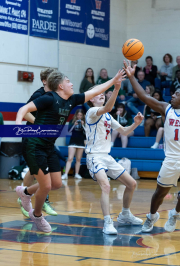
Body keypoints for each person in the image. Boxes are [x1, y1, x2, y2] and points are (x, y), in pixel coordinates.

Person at [15, 69, 125, 233]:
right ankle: (37, 216)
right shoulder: (48, 98)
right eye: (68, 81)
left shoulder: (72, 100)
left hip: (49, 146)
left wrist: (114, 80)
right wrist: (18, 127)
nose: (72, 83)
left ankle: (25, 192)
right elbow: (23, 110)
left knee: (56, 184)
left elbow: (95, 90)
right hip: (34, 145)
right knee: (45, 186)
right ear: (60, 86)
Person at [123, 59, 180, 233]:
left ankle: (175, 214)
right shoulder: (166, 108)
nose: (172, 95)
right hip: (171, 159)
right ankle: (152, 216)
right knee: (159, 194)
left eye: (176, 94)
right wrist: (132, 78)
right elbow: (144, 97)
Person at [85, 70, 144, 234]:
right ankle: (107, 222)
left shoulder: (108, 117)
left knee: (132, 184)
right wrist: (117, 88)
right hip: (94, 157)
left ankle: (125, 214)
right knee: (105, 185)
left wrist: (136, 123)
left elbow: (124, 131)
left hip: (107, 157)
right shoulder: (91, 112)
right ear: (91, 98)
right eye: (98, 93)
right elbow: (109, 107)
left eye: (103, 93)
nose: (101, 94)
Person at [18, 68, 58, 218]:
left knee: (35, 170)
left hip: (45, 138)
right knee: (39, 170)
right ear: (45, 81)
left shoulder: (54, 96)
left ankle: (23, 195)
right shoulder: (39, 94)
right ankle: (31, 197)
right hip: (33, 136)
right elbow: (25, 111)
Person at [62, 109, 86, 180]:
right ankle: (65, 174)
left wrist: (83, 125)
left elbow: (87, 132)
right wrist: (74, 125)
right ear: (76, 115)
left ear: (82, 116)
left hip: (81, 142)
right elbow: (69, 131)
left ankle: (76, 174)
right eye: (78, 115)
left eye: (81, 115)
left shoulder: (84, 122)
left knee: (78, 159)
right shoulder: (71, 121)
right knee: (70, 158)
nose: (79, 117)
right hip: (73, 141)